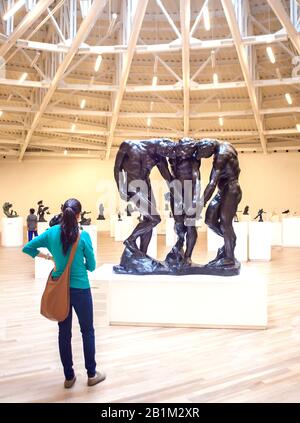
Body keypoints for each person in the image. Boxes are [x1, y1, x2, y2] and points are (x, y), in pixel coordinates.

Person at [22, 198, 105, 389]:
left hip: (61, 289)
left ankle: (69, 377)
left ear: (63, 212)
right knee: (87, 331)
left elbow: (28, 248)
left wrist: (49, 256)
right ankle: (92, 374)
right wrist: (81, 266)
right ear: (78, 215)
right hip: (81, 289)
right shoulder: (83, 236)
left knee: (63, 333)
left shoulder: (51, 233)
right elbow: (91, 266)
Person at [114, 138, 176, 256]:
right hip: (133, 187)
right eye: (166, 152)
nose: (165, 155)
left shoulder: (159, 155)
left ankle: (143, 254)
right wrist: (120, 188)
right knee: (155, 219)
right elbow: (117, 168)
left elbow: (167, 176)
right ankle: (130, 239)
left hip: (146, 187)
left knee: (148, 221)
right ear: (160, 144)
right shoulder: (128, 145)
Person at [196, 139, 242, 267]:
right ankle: (230, 241)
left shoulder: (221, 155)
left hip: (231, 189)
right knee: (210, 220)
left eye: (203, 154)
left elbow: (212, 183)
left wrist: (200, 204)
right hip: (224, 190)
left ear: (208, 148)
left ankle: (229, 258)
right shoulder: (227, 145)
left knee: (225, 223)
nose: (204, 157)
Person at [168, 138, 201, 266]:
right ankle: (180, 245)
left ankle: (188, 255)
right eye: (186, 149)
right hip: (176, 191)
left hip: (189, 191)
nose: (187, 152)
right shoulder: (173, 156)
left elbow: (196, 178)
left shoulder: (193, 159)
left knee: (190, 224)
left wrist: (194, 200)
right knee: (178, 223)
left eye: (190, 150)